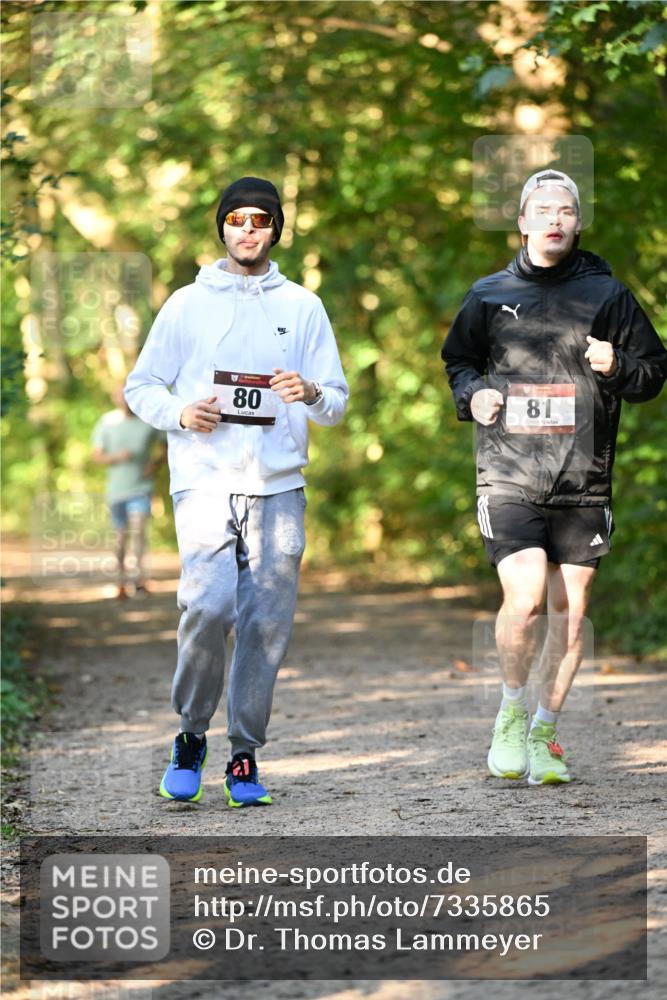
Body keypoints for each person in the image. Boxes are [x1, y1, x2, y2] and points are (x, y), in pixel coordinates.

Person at [125, 176, 348, 807]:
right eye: (237, 219)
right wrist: (180, 413)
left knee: (266, 624)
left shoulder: (303, 306)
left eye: (261, 220)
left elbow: (335, 401)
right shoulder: (185, 304)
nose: (248, 229)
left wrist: (309, 392)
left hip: (279, 488)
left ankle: (244, 753)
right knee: (208, 606)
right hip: (204, 480)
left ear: (276, 230)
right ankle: (190, 734)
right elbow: (142, 386)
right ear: (222, 227)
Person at [442, 169, 667, 785]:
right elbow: (459, 360)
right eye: (542, 210)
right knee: (524, 601)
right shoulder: (488, 294)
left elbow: (653, 372)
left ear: (577, 222)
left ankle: (545, 733)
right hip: (508, 473)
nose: (554, 219)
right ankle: (511, 712)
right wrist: (473, 394)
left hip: (583, 480)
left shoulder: (608, 296)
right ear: (522, 222)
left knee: (571, 611)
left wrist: (617, 364)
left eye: (565, 210)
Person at [91, 385, 164, 599]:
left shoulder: (147, 421)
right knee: (121, 538)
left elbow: (166, 445)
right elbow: (96, 456)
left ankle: (139, 581)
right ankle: (120, 581)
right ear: (114, 398)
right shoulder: (107, 422)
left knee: (139, 530)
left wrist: (155, 464)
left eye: (127, 395)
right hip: (117, 490)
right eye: (120, 396)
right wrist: (117, 457)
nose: (124, 400)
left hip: (141, 488)